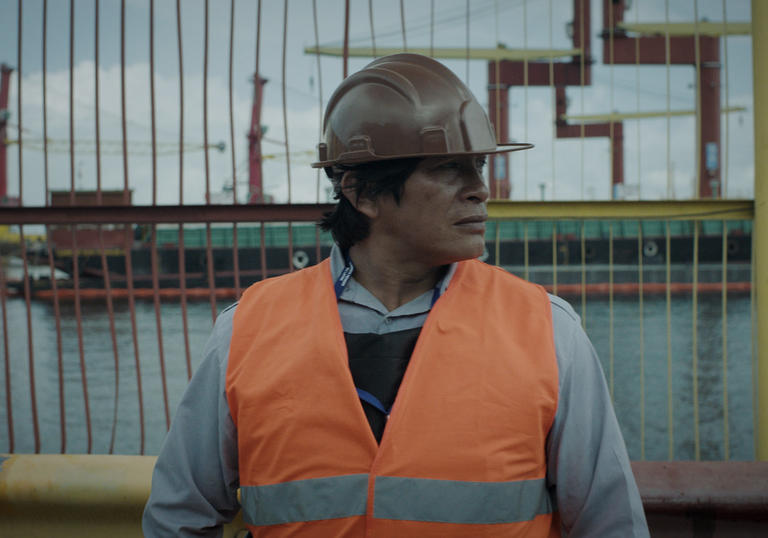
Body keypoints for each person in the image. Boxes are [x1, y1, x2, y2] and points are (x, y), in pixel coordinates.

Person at [143, 53, 649, 537]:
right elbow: (180, 515)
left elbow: (611, 524)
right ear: (361, 192)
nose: (480, 189)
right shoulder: (246, 331)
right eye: (449, 167)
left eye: (479, 165)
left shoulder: (549, 330)